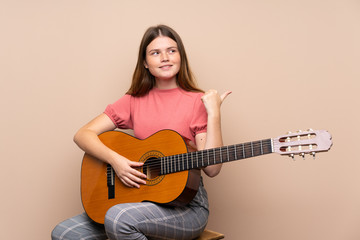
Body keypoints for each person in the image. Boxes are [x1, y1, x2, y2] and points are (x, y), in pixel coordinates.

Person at [52, 24, 231, 240]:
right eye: (156, 53)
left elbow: (212, 169)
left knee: (119, 219)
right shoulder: (133, 100)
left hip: (186, 206)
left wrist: (214, 113)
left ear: (181, 57)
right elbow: (83, 134)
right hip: (138, 200)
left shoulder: (198, 101)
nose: (165, 57)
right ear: (145, 63)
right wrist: (116, 161)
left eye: (172, 51)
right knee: (65, 234)